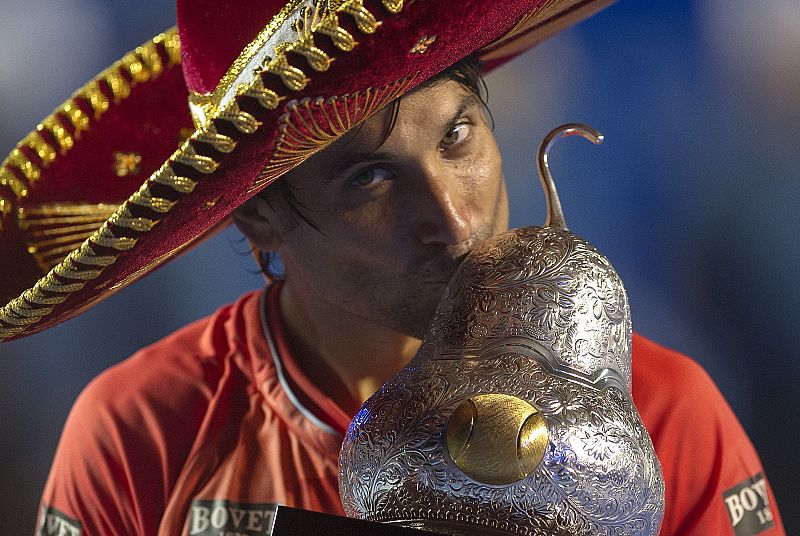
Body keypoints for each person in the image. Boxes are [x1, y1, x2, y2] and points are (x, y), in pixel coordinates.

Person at [0, 1, 784, 535]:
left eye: (458, 137)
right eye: (369, 179)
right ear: (258, 215)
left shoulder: (662, 414)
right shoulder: (141, 433)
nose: (452, 219)